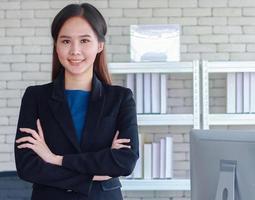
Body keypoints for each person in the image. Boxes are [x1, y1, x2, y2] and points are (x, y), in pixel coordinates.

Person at [14, 3, 139, 200]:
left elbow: (124, 163)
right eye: (65, 41)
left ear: (100, 45)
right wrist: (95, 174)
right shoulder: (36, 97)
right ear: (56, 46)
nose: (74, 50)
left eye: (84, 41)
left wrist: (56, 159)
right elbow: (27, 167)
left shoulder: (120, 98)